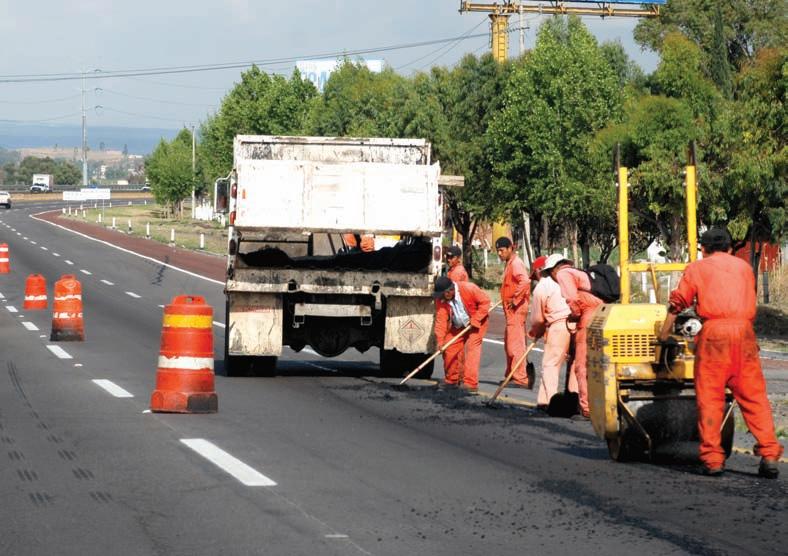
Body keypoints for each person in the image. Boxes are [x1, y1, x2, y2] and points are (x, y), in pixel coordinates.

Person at [659, 228, 782, 478]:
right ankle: (770, 454)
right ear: (729, 248)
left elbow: (678, 302)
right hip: (745, 334)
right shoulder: (744, 268)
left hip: (714, 336)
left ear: (704, 249)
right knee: (754, 398)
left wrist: (663, 335)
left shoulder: (697, 268)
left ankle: (713, 460)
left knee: (711, 399)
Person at [544, 253, 602, 418]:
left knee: (581, 366)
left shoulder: (563, 274)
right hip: (601, 314)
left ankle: (587, 409)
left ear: (554, 270)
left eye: (549, 273)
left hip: (587, 316)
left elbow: (572, 300)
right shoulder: (580, 273)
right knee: (597, 362)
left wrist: (575, 315)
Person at [527, 255, 572, 410]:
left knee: (550, 365)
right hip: (574, 325)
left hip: (559, 327)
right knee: (573, 366)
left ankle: (550, 402)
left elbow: (537, 319)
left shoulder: (543, 287)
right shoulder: (572, 280)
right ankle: (544, 401)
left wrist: (537, 331)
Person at [433, 275, 491, 394]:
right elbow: (441, 321)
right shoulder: (441, 300)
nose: (441, 298)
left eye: (442, 295)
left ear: (449, 291)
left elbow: (485, 302)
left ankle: (471, 383)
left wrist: (476, 318)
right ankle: (452, 380)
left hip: (476, 323)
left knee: (472, 348)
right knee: (449, 347)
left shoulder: (469, 288)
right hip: (458, 326)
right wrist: (440, 341)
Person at [496, 237, 532, 388]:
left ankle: (520, 378)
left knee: (515, 345)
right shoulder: (510, 263)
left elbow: (525, 281)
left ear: (510, 248)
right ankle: (511, 375)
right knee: (509, 344)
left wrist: (515, 299)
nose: (499, 254)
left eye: (502, 250)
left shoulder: (516, 264)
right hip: (511, 311)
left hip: (516, 311)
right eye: (498, 251)